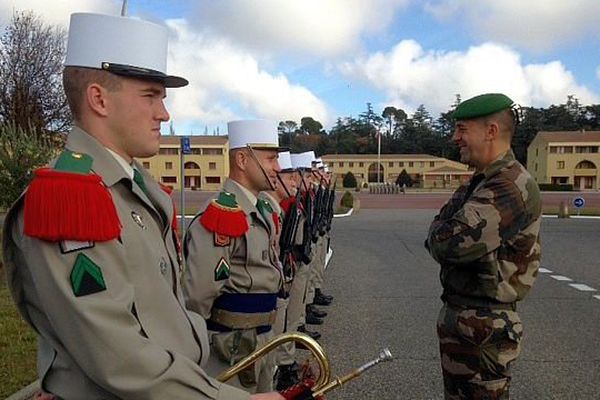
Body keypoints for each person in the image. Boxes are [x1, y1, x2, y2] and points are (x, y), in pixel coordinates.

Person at [2, 12, 282, 400]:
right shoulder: (71, 199)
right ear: (98, 98)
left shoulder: (134, 190)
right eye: (150, 96)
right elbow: (117, 357)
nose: (164, 114)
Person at [425, 93, 542, 399]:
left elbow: (448, 243)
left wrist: (442, 232)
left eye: (462, 129)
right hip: (467, 324)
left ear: (491, 131)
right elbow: (437, 233)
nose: (455, 138)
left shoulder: (509, 185)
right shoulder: (478, 182)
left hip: (485, 328)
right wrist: (441, 231)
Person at [183, 120, 285, 394]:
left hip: (262, 338)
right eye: (271, 158)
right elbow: (197, 295)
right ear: (242, 159)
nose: (278, 167)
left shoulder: (261, 208)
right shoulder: (222, 214)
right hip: (230, 346)